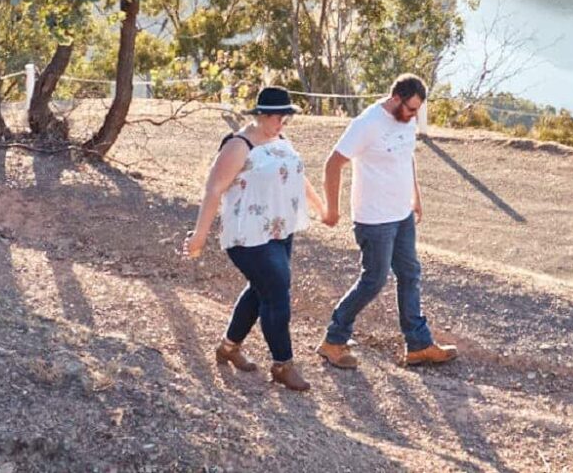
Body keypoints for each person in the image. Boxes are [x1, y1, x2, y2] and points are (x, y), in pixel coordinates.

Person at [183, 84, 325, 393]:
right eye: (275, 117)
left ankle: (229, 347)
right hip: (247, 234)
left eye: (285, 117)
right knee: (277, 294)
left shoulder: (281, 140)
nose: (281, 122)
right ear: (259, 114)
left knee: (261, 290)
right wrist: (200, 235)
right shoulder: (239, 145)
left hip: (279, 230)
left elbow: (299, 176)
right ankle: (282, 364)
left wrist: (322, 208)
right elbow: (213, 189)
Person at [317, 73, 460, 369]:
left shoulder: (407, 120)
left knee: (410, 274)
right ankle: (334, 339)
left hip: (401, 214)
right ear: (395, 99)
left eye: (418, 110)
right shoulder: (367, 124)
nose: (414, 115)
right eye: (410, 109)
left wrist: (415, 196)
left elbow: (407, 157)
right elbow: (333, 163)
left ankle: (418, 345)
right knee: (374, 280)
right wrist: (333, 209)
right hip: (374, 218)